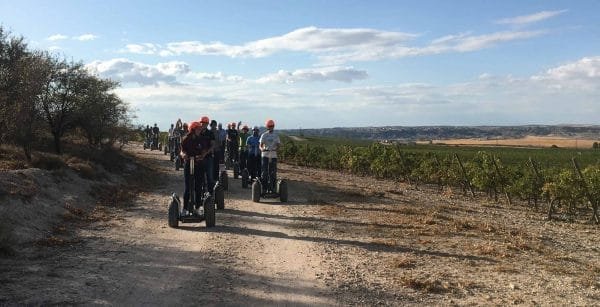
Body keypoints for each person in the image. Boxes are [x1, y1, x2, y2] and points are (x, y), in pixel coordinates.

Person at [180, 121, 204, 215]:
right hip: (188, 164)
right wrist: (184, 155)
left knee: (198, 187)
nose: (199, 130)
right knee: (187, 188)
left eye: (200, 129)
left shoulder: (201, 139)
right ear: (193, 130)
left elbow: (204, 150)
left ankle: (198, 207)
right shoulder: (186, 139)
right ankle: (185, 209)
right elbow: (182, 151)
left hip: (199, 165)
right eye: (198, 129)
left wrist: (201, 156)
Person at [260, 119, 280, 191]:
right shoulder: (264, 135)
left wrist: (277, 149)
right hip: (265, 155)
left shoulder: (276, 135)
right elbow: (260, 145)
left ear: (273, 126)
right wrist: (262, 149)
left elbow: (278, 144)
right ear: (267, 127)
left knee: (273, 172)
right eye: (269, 126)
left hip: (273, 155)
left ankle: (273, 188)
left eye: (272, 126)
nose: (271, 127)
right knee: (264, 172)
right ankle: (264, 188)